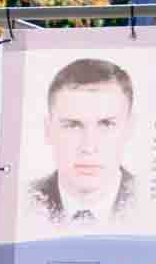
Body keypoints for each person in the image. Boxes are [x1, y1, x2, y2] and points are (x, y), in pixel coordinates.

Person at [28, 58, 140, 227]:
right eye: (72, 125)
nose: (88, 147)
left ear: (129, 128)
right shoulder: (21, 201)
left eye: (106, 124)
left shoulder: (155, 202)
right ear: (48, 130)